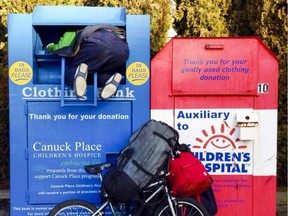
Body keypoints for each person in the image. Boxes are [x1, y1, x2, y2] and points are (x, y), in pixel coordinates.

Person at [46, 24, 129, 99]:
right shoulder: (106, 26)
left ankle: (78, 73)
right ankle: (108, 79)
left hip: (97, 43)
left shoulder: (72, 27)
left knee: (70, 72)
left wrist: (49, 47)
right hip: (122, 51)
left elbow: (61, 47)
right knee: (94, 73)